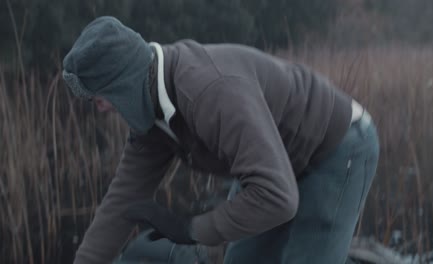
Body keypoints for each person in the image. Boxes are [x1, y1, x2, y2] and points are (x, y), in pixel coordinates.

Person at [62, 16, 380, 264]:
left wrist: (191, 230)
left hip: (337, 148)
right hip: (272, 161)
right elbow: (121, 205)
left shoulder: (207, 92)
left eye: (100, 97)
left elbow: (278, 197)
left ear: (125, 83)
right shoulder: (150, 118)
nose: (100, 108)